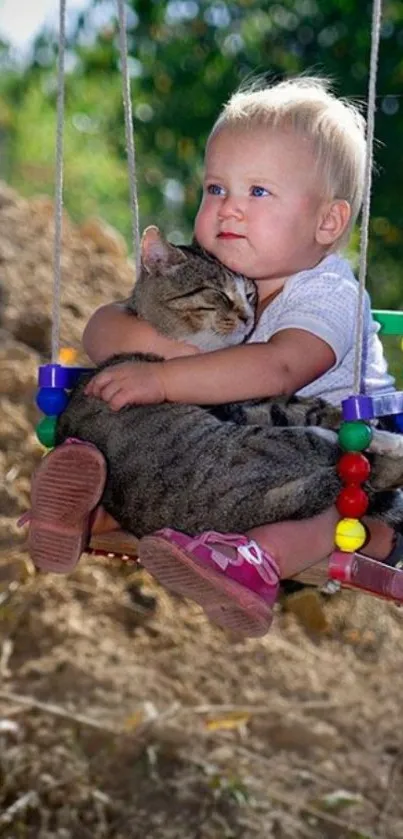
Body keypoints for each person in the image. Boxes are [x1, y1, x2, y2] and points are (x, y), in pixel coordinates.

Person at [27, 76, 400, 636]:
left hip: (352, 457)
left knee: (331, 508)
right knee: (134, 416)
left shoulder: (327, 293)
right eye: (215, 188)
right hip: (244, 453)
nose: (228, 209)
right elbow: (104, 326)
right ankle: (97, 504)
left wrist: (166, 380)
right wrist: (160, 353)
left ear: (327, 222)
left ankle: (254, 562)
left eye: (258, 192)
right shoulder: (225, 276)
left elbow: (280, 367)